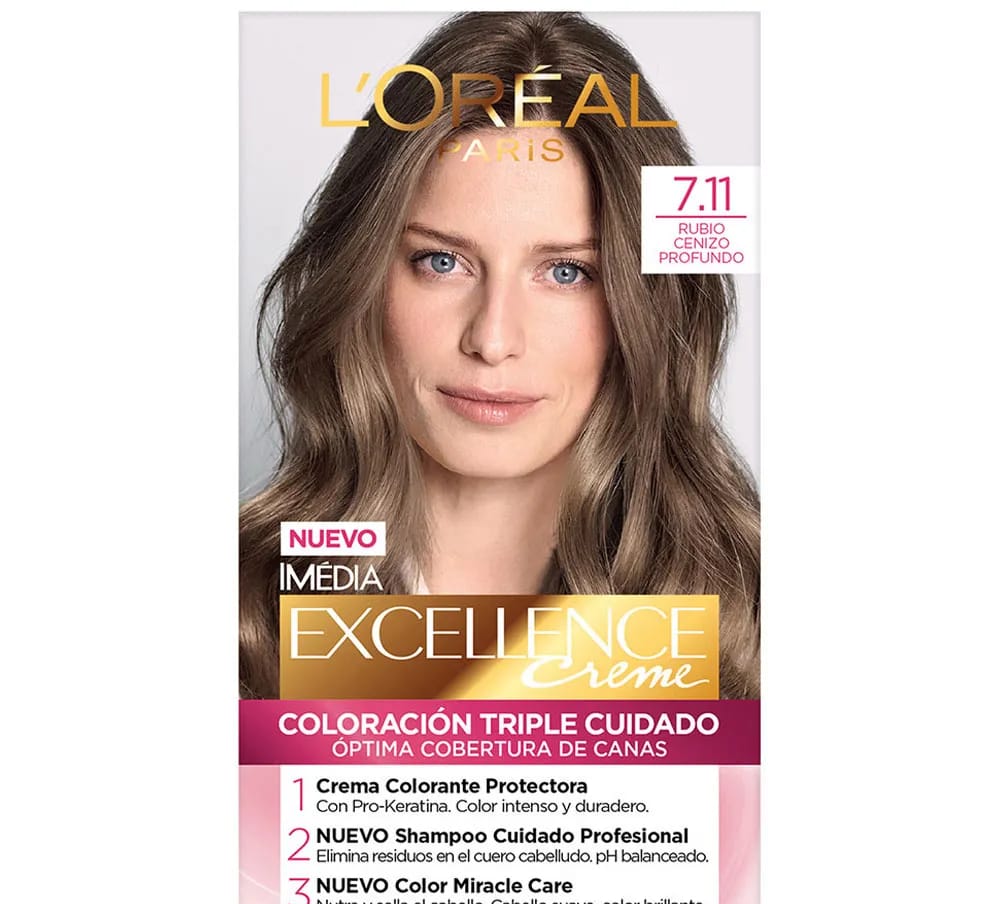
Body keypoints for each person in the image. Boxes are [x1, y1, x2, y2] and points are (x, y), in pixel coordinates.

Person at [239, 11, 760, 699]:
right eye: (441, 261)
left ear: (647, 305)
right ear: (361, 278)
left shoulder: (749, 622)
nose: (492, 340)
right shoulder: (245, 618)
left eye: (567, 272)